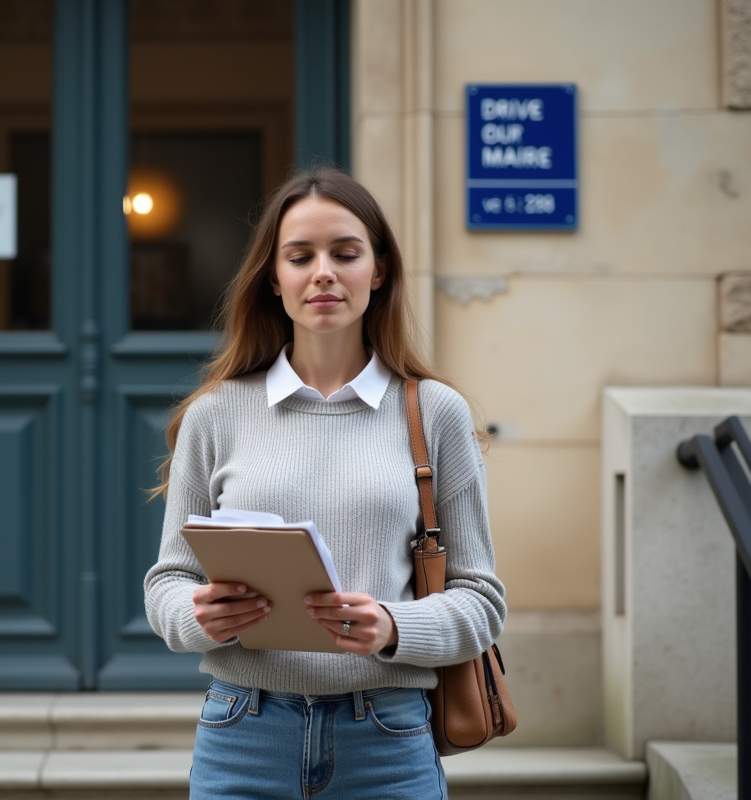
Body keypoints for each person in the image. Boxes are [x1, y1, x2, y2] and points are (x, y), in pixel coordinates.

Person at [143, 167, 506, 799]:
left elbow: (481, 600)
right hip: (242, 738)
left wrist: (394, 627)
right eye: (300, 256)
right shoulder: (216, 413)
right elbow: (168, 583)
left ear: (379, 270)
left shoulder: (436, 414)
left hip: (387, 741)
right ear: (274, 278)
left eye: (345, 253)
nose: (323, 273)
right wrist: (200, 615)